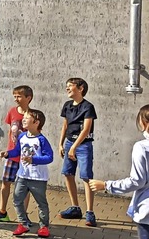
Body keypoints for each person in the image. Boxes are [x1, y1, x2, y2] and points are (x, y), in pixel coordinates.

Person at [89, 104, 149, 239]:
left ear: (145, 122)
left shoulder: (142, 147)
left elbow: (137, 181)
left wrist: (106, 185)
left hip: (147, 211)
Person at [0, 109, 53, 238]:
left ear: (36, 122)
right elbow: (16, 151)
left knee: (41, 203)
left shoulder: (42, 140)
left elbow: (49, 157)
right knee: (17, 199)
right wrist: (7, 154)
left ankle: (44, 227)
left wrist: (33, 159)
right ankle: (23, 224)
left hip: (38, 178)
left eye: (27, 118)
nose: (23, 119)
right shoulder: (22, 136)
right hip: (22, 175)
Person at [0, 85, 33, 222]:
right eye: (15, 96)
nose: (16, 99)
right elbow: (10, 131)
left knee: (25, 187)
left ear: (28, 98)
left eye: (19, 96)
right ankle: (2, 212)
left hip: (25, 158)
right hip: (12, 156)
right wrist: (8, 150)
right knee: (5, 183)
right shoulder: (12, 111)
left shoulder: (33, 115)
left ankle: (23, 216)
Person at [57, 78, 98, 226]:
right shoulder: (67, 105)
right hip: (69, 144)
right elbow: (65, 125)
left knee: (86, 177)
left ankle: (90, 212)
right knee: (68, 174)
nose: (67, 88)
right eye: (66, 86)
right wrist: (61, 144)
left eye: (70, 86)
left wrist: (74, 146)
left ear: (80, 89)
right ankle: (75, 208)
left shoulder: (88, 107)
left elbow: (86, 129)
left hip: (83, 146)